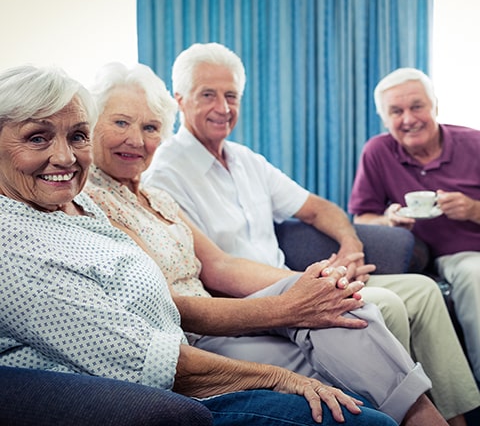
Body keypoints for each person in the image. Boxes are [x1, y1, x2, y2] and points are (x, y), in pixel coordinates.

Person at [0, 64, 401, 426]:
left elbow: (218, 262)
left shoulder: (97, 199)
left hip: (197, 335)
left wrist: (321, 280)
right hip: (170, 369)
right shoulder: (71, 206)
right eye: (37, 138)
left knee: (355, 312)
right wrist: (292, 308)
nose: (64, 156)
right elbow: (182, 312)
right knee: (359, 336)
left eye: (151, 127)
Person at [141, 43, 480, 425]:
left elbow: (320, 208)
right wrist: (318, 283)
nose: (223, 107)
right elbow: (217, 269)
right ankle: (400, 417)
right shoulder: (165, 174)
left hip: (292, 282)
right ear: (180, 100)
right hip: (255, 299)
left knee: (424, 292)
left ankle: (458, 416)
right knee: (383, 302)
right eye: (208, 95)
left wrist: (350, 246)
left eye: (231, 95)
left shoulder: (246, 160)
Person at [348, 67, 480, 385]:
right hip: (412, 258)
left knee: (475, 274)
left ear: (434, 105)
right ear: (385, 119)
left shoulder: (474, 143)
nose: (409, 119)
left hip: (468, 251)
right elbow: (361, 218)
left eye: (417, 106)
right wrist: (389, 220)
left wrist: (474, 209)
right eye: (397, 111)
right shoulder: (377, 151)